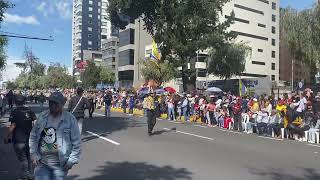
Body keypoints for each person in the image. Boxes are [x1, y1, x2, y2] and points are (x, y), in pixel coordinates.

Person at [29, 91, 81, 180]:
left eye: (55, 103)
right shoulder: (42, 116)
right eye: (51, 102)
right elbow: (33, 136)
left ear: (62, 104)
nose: (52, 105)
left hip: (60, 166)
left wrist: (71, 161)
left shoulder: (70, 119)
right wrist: (33, 154)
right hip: (42, 163)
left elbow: (76, 142)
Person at [4, 95, 36, 180]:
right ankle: (29, 174)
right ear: (24, 102)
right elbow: (35, 122)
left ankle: (25, 175)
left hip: (18, 139)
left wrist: (7, 136)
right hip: (29, 138)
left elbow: (13, 125)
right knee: (28, 157)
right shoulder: (29, 111)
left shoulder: (14, 112)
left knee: (22, 158)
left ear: (15, 102)